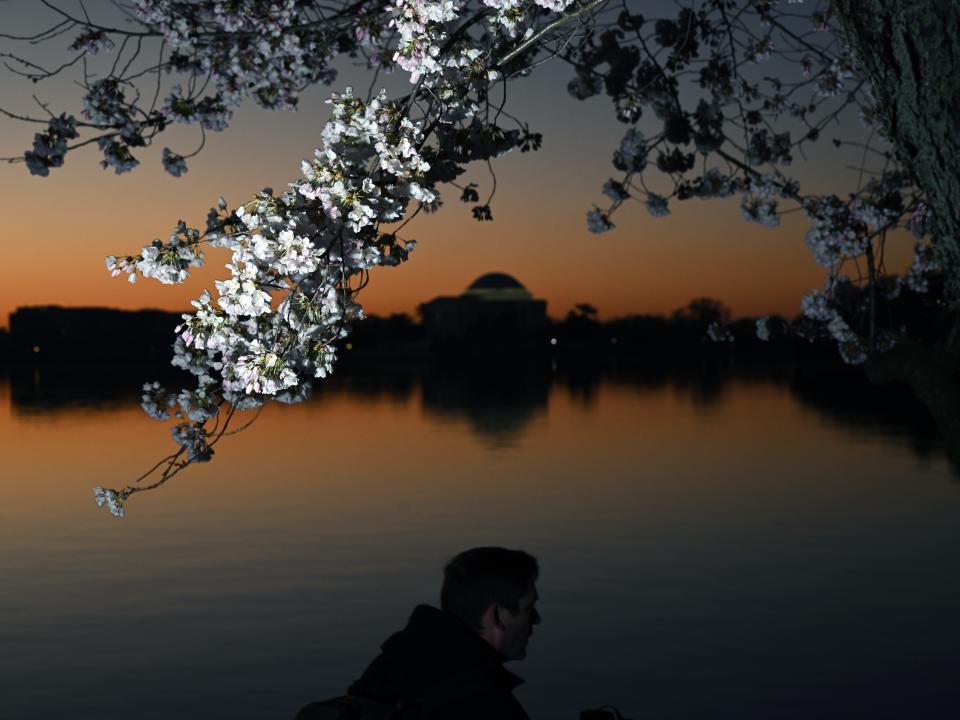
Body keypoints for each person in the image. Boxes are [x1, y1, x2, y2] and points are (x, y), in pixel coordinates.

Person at [346, 546, 541, 720]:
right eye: (529, 609)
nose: (536, 619)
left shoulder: (393, 661)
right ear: (497, 616)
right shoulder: (484, 700)